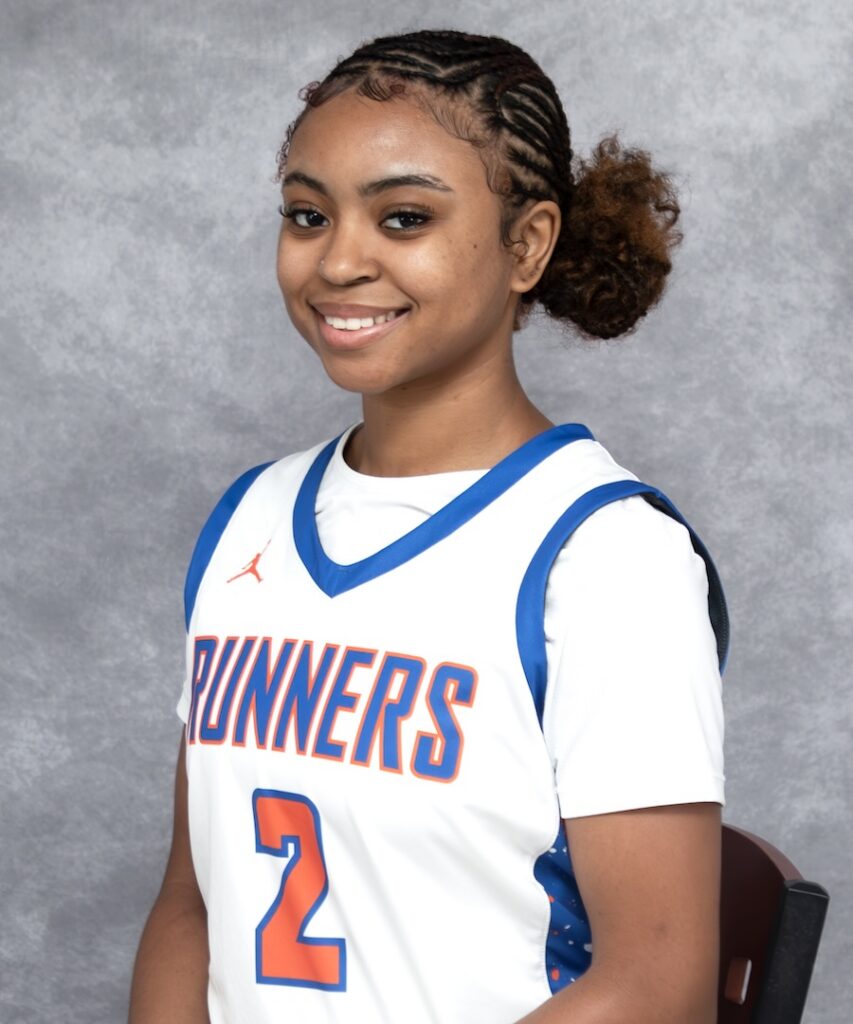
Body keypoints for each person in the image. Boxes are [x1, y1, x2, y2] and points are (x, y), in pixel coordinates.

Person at [129, 28, 728, 1024]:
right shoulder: (250, 519)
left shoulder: (606, 556)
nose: (338, 260)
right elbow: (191, 907)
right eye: (307, 214)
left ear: (526, 244)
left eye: (403, 217)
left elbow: (656, 988)